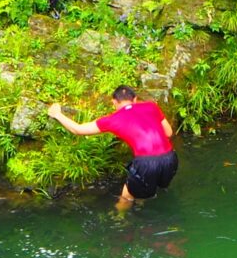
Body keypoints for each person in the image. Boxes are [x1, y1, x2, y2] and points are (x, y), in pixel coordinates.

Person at [46, 86, 178, 209]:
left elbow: (78, 130)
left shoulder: (112, 119)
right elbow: (169, 133)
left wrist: (57, 114)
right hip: (170, 158)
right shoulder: (151, 106)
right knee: (155, 189)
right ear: (135, 99)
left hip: (145, 163)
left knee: (126, 197)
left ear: (114, 102)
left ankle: (121, 219)